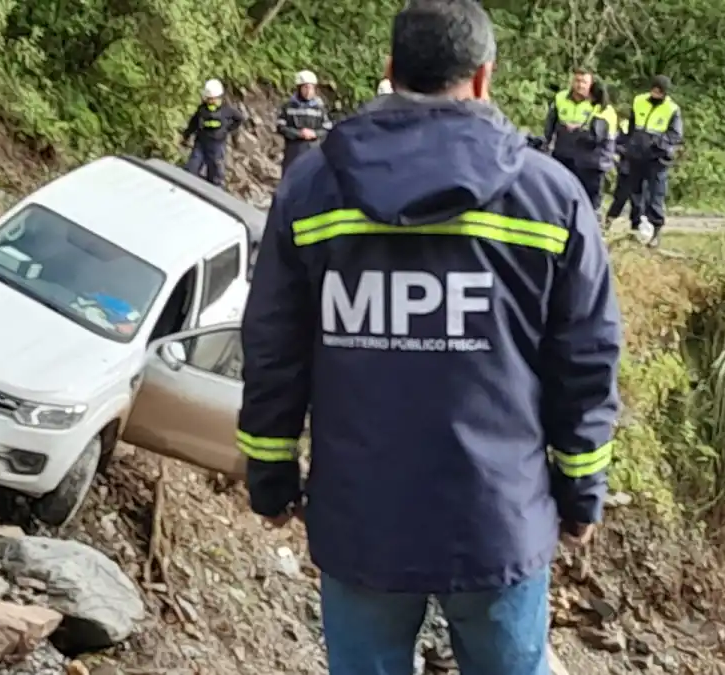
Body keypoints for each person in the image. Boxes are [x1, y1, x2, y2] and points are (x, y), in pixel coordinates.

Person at [237, 0, 622, 673]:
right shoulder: (550, 198)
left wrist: (270, 474)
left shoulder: (312, 190)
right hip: (499, 521)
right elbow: (586, 359)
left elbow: (274, 345)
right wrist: (582, 490)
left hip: (362, 522)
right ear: (482, 78)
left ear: (390, 70)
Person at [622, 75, 683, 248]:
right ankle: (636, 229)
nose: (656, 93)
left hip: (657, 158)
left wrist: (656, 143)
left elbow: (675, 135)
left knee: (655, 195)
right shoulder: (639, 101)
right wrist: (627, 144)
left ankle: (655, 232)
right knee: (635, 194)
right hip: (636, 155)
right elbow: (632, 126)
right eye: (654, 89)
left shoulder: (672, 109)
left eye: (660, 91)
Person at [181, 79, 246, 187]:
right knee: (191, 168)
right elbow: (194, 123)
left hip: (217, 146)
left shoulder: (227, 110)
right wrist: (186, 135)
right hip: (201, 143)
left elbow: (240, 118)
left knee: (215, 174)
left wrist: (227, 129)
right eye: (208, 99)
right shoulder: (202, 109)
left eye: (212, 99)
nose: (210, 101)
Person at [568, 80, 617, 210]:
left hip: (594, 161)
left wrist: (577, 133)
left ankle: (593, 223)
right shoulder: (601, 109)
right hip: (595, 160)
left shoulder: (602, 113)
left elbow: (594, 137)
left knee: (590, 198)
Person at [276, 70, 333, 176]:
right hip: (293, 149)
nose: (308, 91)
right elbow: (280, 126)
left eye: (311, 88)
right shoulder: (288, 106)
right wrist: (299, 133)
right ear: (299, 88)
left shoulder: (319, 108)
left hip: (313, 149)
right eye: (305, 87)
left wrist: (314, 134)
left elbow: (327, 128)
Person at [540, 68, 596, 175]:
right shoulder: (560, 97)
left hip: (583, 157)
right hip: (561, 152)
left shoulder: (595, 103)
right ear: (572, 81)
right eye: (577, 81)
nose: (580, 85)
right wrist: (546, 143)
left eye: (584, 82)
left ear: (590, 84)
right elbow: (550, 123)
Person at [605, 114, 632, 226]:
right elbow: (615, 144)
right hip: (626, 167)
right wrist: (627, 152)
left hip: (641, 167)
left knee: (640, 200)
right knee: (620, 197)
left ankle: (638, 226)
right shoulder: (625, 125)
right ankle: (609, 220)